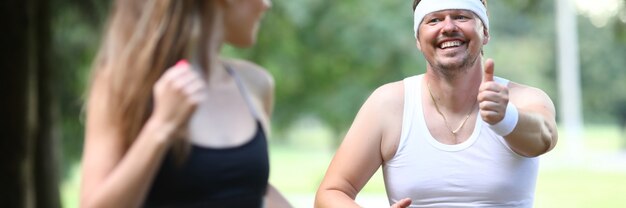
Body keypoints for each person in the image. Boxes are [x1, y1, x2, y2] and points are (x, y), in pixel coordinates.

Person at [315, 0, 558, 207]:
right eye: (434, 20)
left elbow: (545, 138)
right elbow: (330, 193)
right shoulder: (388, 104)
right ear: (418, 40)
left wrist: (506, 117)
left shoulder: (524, 99)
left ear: (485, 32)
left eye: (461, 16)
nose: (448, 27)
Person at [79, 0, 292, 207]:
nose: (266, 4)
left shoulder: (255, 85)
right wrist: (161, 127)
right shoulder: (124, 85)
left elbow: (249, 188)